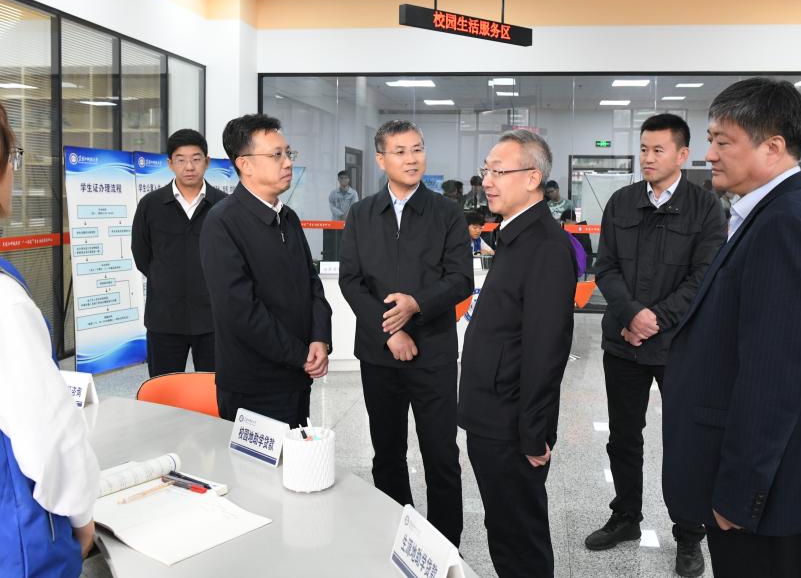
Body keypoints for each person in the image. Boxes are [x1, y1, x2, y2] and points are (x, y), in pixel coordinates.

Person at [662, 78, 801, 578]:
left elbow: (775, 377)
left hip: (770, 497)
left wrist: (739, 494)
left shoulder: (784, 224)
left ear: (772, 147)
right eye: (711, 139)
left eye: (723, 142)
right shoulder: (769, 212)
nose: (709, 154)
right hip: (769, 486)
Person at [0, 87, 99, 576]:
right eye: (10, 156)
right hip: (6, 544)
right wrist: (82, 516)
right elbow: (49, 437)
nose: (13, 171)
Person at [585, 113, 726, 577]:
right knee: (623, 436)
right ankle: (626, 516)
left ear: (682, 154)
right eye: (643, 149)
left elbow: (704, 277)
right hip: (623, 343)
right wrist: (631, 315)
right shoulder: (622, 202)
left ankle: (689, 533)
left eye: (658, 150)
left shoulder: (705, 208)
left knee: (686, 440)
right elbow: (605, 267)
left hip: (679, 345)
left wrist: (654, 320)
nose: (648, 157)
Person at [339, 120, 473, 547]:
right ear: (381, 159)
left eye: (417, 149)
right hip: (379, 354)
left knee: (441, 454)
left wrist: (416, 304)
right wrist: (390, 332)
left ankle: (445, 546)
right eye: (400, 151)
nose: (411, 159)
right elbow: (351, 281)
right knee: (387, 453)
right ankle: (396, 537)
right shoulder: (361, 213)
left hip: (433, 353)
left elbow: (460, 279)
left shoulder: (447, 213)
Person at [457, 130, 577, 578]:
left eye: (498, 171)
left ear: (532, 178)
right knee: (504, 528)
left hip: (510, 422)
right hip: (492, 411)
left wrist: (533, 433)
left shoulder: (544, 246)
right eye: (486, 170)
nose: (487, 181)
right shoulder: (515, 235)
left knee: (519, 538)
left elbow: (547, 349)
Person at [200, 113, 332, 426]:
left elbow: (311, 284)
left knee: (296, 454)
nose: (288, 162)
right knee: (260, 461)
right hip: (254, 384)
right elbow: (241, 310)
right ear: (244, 164)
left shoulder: (288, 217)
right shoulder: (222, 223)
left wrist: (319, 339)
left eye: (288, 153)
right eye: (276, 155)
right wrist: (299, 354)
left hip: (297, 376)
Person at [132, 129, 226, 377]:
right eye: (181, 159)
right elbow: (141, 253)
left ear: (207, 162)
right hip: (165, 318)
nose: (189, 167)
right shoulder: (150, 204)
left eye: (196, 159)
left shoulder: (225, 205)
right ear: (170, 164)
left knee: (215, 389)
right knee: (162, 389)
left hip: (213, 318)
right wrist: (165, 278)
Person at [559, 208, 592, 276]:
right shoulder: (582, 229)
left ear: (567, 220)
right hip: (586, 262)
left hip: (577, 265)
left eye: (563, 222)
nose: (563, 225)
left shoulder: (572, 233)